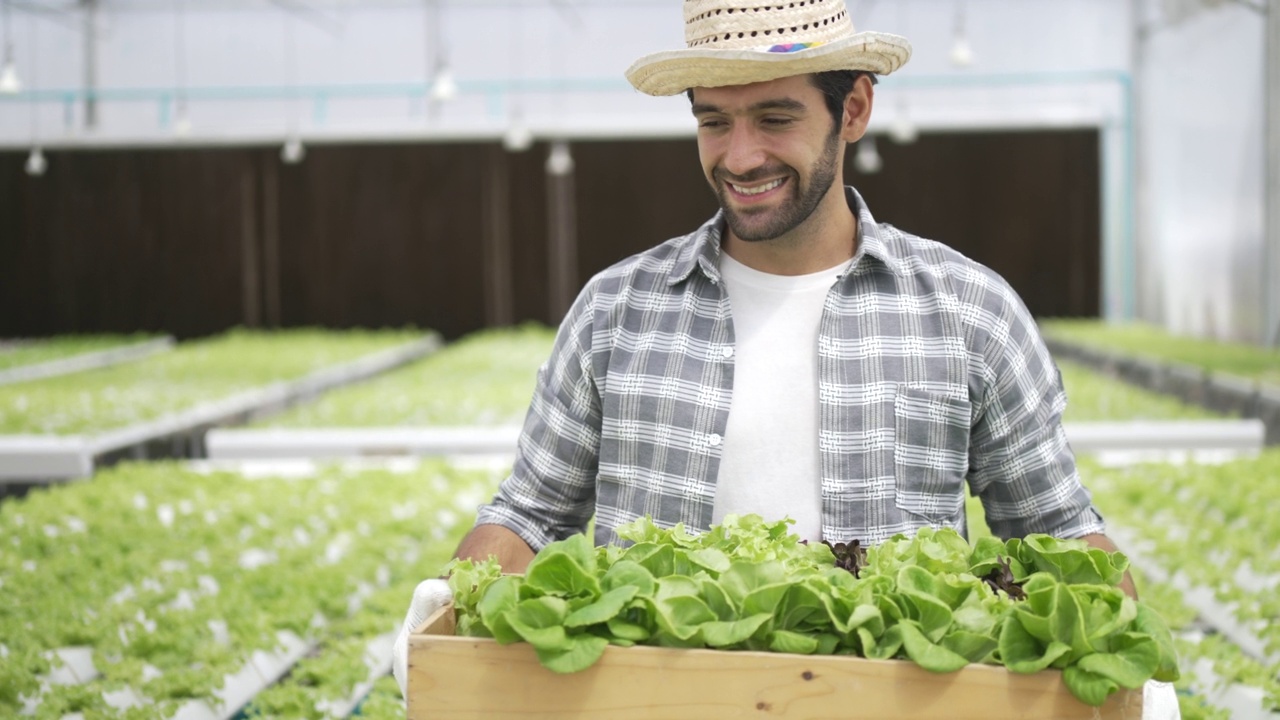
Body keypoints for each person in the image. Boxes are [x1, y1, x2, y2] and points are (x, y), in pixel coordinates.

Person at [394, 2, 1176, 714]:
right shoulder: (616, 311)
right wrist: (448, 610)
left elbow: (1056, 527)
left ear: (855, 108)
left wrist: (1134, 668)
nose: (739, 156)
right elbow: (528, 513)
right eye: (713, 122)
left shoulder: (968, 313)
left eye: (775, 117)